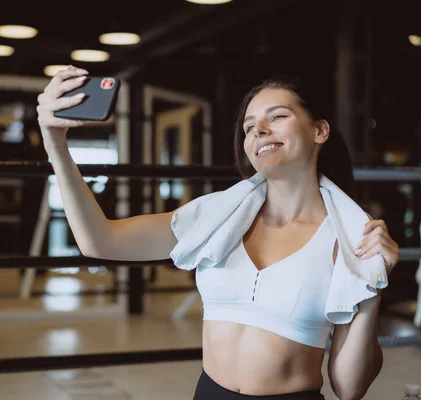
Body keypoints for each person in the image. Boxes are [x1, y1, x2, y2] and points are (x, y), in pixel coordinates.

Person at [36, 66, 400, 400]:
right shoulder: (216, 217)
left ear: (320, 130)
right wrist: (56, 143)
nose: (259, 130)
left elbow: (349, 389)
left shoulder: (352, 238)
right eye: (249, 126)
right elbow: (100, 241)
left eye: (278, 117)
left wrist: (372, 287)